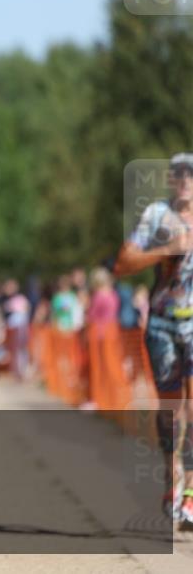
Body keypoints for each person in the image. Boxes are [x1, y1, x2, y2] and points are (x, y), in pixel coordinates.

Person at [114, 152, 193, 526]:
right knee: (171, 411)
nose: (185, 180)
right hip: (162, 323)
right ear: (169, 179)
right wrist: (166, 250)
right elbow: (122, 264)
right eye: (178, 174)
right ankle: (170, 474)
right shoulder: (156, 216)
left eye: (191, 174)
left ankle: (191, 491)